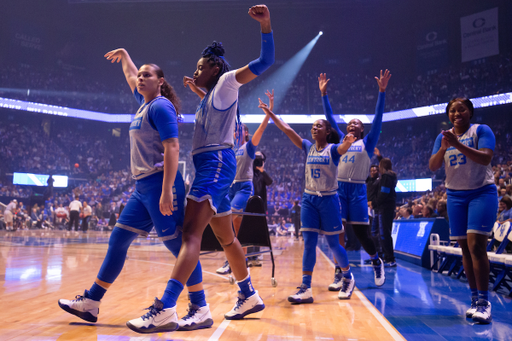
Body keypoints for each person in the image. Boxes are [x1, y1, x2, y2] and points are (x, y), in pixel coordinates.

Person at [128, 4, 275, 332]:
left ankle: (166, 306)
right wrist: (198, 90)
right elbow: (215, 107)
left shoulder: (225, 82)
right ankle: (248, 294)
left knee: (191, 234)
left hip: (215, 166)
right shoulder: (211, 94)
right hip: (214, 165)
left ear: (214, 67)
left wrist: (266, 25)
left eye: (199, 68)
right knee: (226, 237)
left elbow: (265, 63)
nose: (194, 73)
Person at [59, 48, 211, 333]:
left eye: (147, 75)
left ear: (161, 81)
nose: (140, 78)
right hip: (142, 187)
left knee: (177, 244)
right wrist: (126, 56)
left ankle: (200, 306)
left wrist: (167, 190)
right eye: (140, 74)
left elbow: (173, 147)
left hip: (160, 184)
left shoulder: (160, 106)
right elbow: (130, 76)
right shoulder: (144, 104)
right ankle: (91, 302)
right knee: (118, 239)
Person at [259, 96, 357, 301]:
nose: (314, 128)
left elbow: (341, 149)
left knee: (333, 244)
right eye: (312, 126)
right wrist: (271, 115)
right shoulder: (307, 146)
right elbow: (287, 130)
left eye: (318, 126)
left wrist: (347, 143)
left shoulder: (333, 150)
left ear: (327, 131)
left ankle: (347, 277)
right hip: (309, 200)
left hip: (329, 200)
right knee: (309, 243)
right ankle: (305, 287)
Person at [319, 70, 391, 290]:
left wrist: (381, 92)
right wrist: (324, 95)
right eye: (349, 123)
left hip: (358, 191)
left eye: (356, 123)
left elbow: (378, 119)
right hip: (339, 189)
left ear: (362, 129)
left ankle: (376, 261)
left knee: (361, 234)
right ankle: (340, 273)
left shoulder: (368, 142)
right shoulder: (342, 140)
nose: (351, 125)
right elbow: (331, 120)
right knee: (336, 231)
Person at [429, 97, 497, 324]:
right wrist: (444, 148)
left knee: (476, 245)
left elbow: (486, 158)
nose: (456, 113)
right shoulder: (442, 137)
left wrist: (457, 144)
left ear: (470, 112)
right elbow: (433, 166)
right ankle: (475, 298)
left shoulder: (481, 130)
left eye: (461, 109)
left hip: (481, 192)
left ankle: (485, 303)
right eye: (452, 111)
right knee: (465, 249)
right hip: (455, 195)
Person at [215, 91, 271, 274]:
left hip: (244, 187)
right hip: (230, 188)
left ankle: (231, 261)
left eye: (239, 129)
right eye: (234, 128)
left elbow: (262, 130)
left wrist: (268, 113)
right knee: (236, 229)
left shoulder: (248, 146)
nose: (236, 130)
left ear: (246, 133)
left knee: (227, 221)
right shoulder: (229, 147)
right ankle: (240, 261)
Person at [372, 158, 397, 267]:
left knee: (384, 234)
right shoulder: (390, 176)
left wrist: (374, 203)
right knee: (384, 234)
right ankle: (387, 258)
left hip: (385, 207)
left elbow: (384, 192)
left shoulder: (386, 177)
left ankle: (390, 259)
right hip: (387, 207)